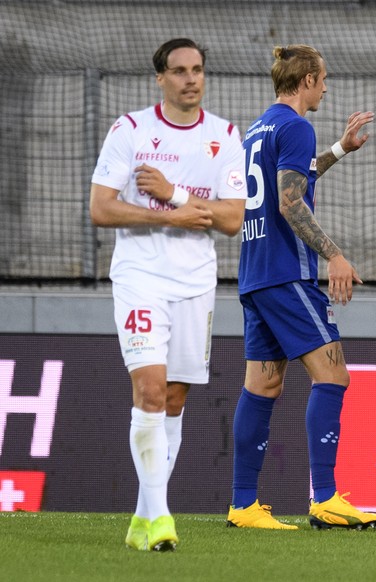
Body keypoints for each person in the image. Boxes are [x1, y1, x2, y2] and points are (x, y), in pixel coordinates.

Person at [89, 38, 247, 552]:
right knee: (151, 390)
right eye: (178, 71)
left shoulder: (224, 136)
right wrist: (168, 216)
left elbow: (232, 219)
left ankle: (142, 515)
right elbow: (102, 208)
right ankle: (160, 518)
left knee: (175, 398)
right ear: (160, 78)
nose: (190, 79)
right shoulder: (130, 130)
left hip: (195, 282)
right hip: (140, 277)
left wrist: (176, 196)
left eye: (197, 69)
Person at [226, 44, 376, 531]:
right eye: (324, 79)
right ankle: (326, 499)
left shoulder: (261, 126)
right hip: (285, 273)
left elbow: (292, 177)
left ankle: (243, 505)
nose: (327, 87)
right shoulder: (296, 125)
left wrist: (339, 149)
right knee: (333, 376)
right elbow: (290, 199)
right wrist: (333, 254)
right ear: (309, 79)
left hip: (254, 274)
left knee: (263, 384)